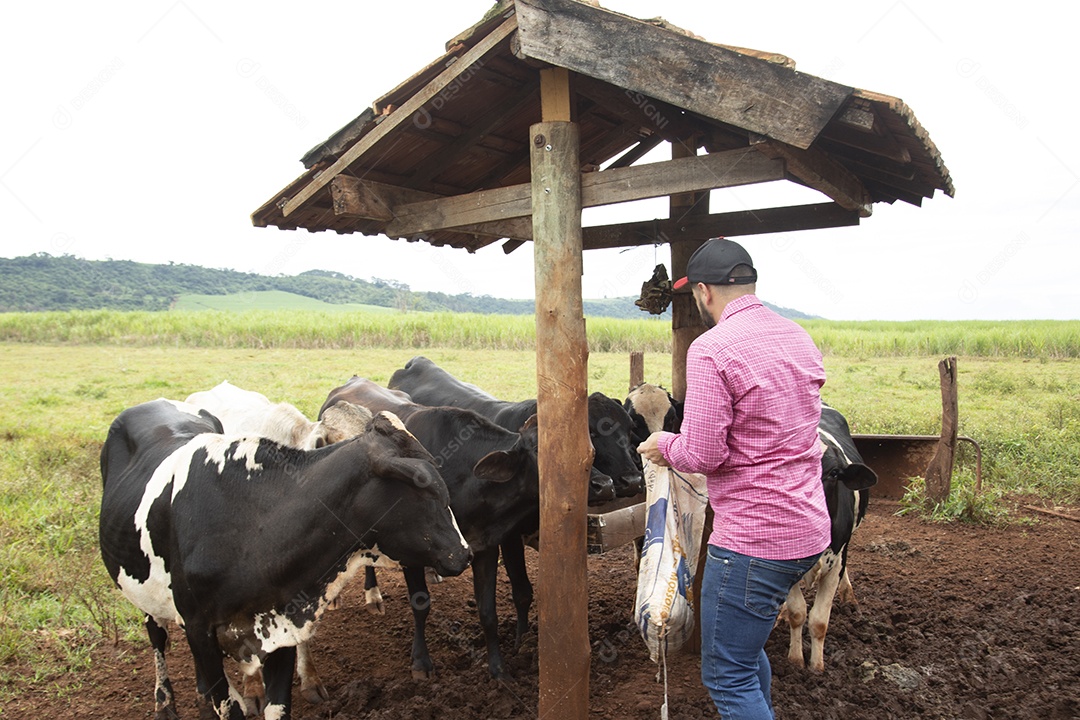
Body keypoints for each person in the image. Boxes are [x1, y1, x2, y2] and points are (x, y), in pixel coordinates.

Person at [637, 237, 831, 719]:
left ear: (703, 292)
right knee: (745, 657)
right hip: (808, 529)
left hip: (753, 540)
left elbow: (703, 452)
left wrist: (663, 445)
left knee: (725, 674)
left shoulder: (711, 349)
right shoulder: (797, 336)